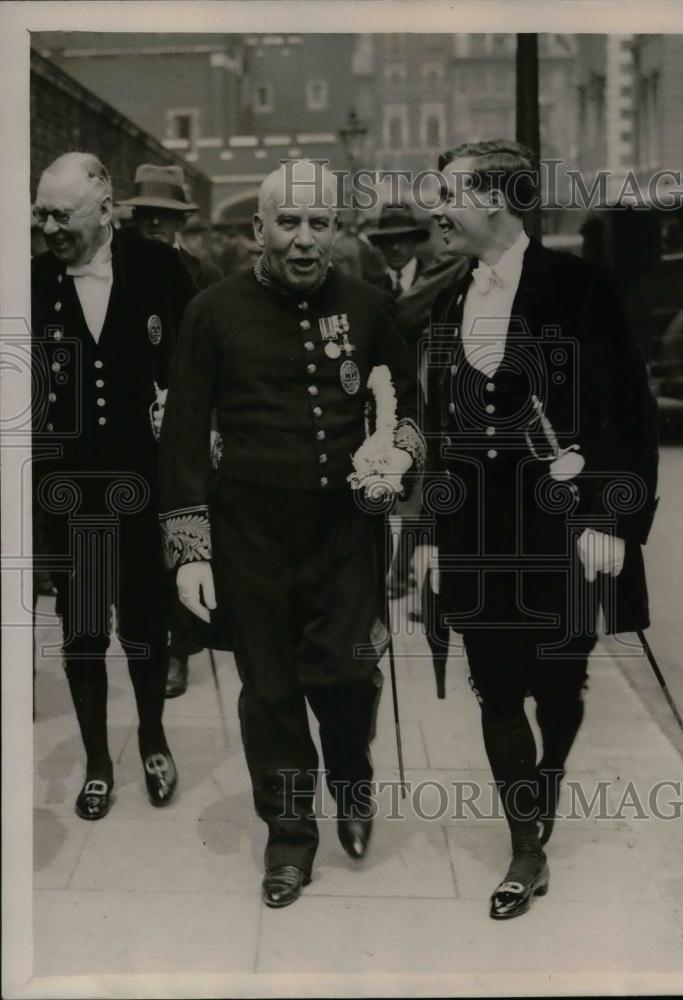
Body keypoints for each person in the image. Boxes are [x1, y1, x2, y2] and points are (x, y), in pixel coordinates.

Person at [158, 160, 425, 908]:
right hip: (250, 535)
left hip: (345, 532)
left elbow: (408, 409)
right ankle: (289, 835)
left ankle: (352, 773)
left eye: (319, 224)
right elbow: (181, 439)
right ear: (258, 231)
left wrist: (399, 455)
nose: (305, 240)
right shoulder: (211, 313)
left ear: (336, 230)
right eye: (289, 223)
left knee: (343, 673)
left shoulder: (370, 308)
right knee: (269, 692)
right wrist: (189, 550)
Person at [424, 139, 658, 919]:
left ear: (494, 199)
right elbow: (441, 429)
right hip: (477, 535)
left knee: (559, 683)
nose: (436, 207)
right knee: (494, 683)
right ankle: (526, 848)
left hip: (563, 530)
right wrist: (428, 532)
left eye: (449, 192)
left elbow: (625, 410)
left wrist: (612, 517)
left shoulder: (580, 287)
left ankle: (549, 773)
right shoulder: (448, 296)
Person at [31, 152, 195, 820]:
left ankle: (153, 734)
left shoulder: (158, 271)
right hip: (71, 498)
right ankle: (98, 760)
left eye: (59, 214)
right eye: (39, 213)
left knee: (147, 626)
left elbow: (192, 368)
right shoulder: (29, 282)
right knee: (83, 632)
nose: (46, 227)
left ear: (104, 209)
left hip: (146, 491)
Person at [121, 165, 224, 698]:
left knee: (181, 526)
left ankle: (181, 649)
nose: (155, 228)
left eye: (164, 219)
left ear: (180, 221)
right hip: (130, 423)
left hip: (183, 418)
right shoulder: (118, 271)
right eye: (146, 219)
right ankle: (152, 639)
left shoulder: (201, 277)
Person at [121, 163, 224, 292]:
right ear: (136, 218)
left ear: (180, 221)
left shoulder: (206, 277)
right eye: (147, 212)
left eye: (164, 213)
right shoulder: (115, 268)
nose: (155, 221)